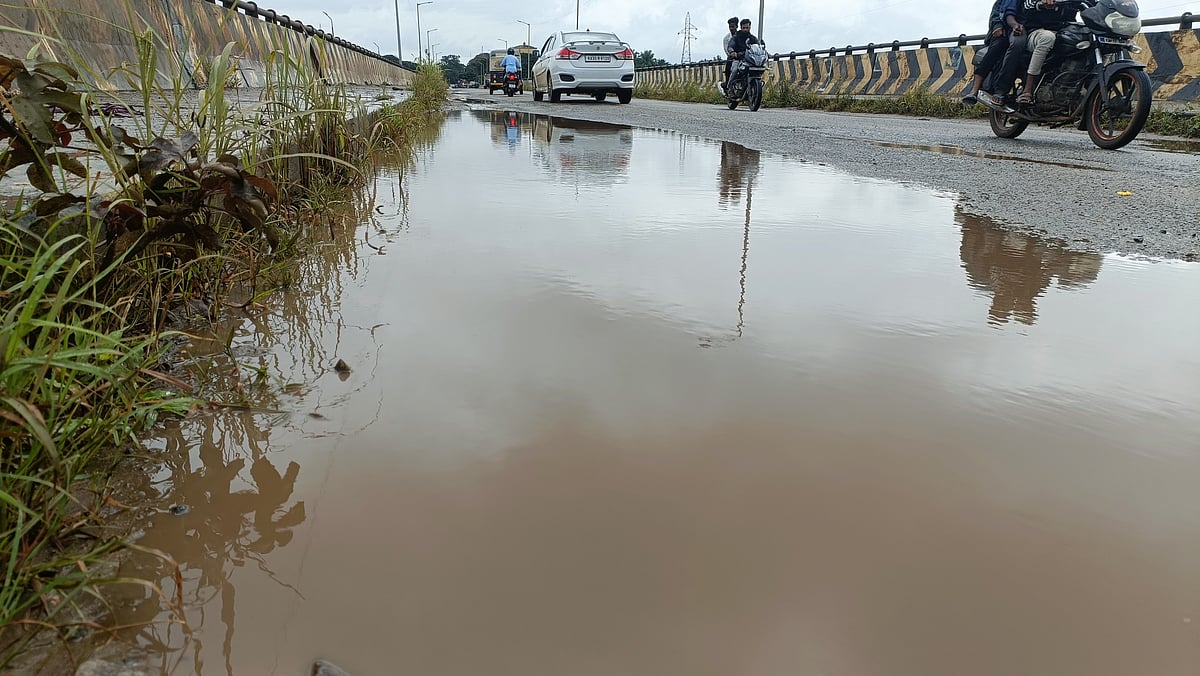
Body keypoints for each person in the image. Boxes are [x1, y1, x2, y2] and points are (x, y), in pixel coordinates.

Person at [980, 0, 1076, 109]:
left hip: (1063, 30)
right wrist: (1041, 3)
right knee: (1045, 38)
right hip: (1032, 30)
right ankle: (1027, 90)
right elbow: (1024, 5)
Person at [962, 0, 1013, 105]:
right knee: (999, 47)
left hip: (1023, 33)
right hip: (1003, 33)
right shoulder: (1003, 2)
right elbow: (996, 14)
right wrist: (997, 26)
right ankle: (975, 90)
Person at [721, 17, 739, 93]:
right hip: (732, 58)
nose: (731, 28)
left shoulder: (741, 35)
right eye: (730, 27)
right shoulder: (726, 38)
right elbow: (726, 50)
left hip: (743, 57)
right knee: (728, 66)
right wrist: (732, 54)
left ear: (737, 26)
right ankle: (727, 85)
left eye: (733, 26)